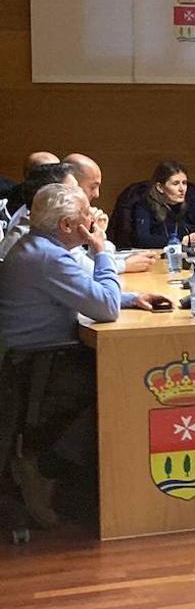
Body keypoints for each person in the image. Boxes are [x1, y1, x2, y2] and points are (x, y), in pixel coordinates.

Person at [0, 183, 168, 526]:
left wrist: (131, 298)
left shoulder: (40, 247)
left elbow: (87, 294)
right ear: (66, 226)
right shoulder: (48, 256)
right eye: (86, 215)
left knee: (125, 375)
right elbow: (103, 308)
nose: (93, 218)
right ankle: (43, 469)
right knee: (127, 385)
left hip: (37, 358)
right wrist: (102, 249)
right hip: (38, 366)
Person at [63, 153, 158, 273]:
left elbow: (87, 261)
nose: (97, 194)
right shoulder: (61, 220)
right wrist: (123, 265)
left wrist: (98, 240)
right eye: (92, 187)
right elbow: (84, 270)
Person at [129, 161, 195, 249]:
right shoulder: (144, 205)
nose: (182, 189)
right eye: (175, 184)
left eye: (184, 183)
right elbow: (142, 239)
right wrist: (181, 240)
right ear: (160, 187)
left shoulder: (191, 200)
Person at [0, 162, 78, 261]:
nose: (81, 195)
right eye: (74, 191)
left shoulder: (53, 228)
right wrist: (99, 246)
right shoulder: (27, 240)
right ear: (49, 198)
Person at [0, 151, 57, 230]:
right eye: (53, 174)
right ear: (30, 176)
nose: (59, 177)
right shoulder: (6, 201)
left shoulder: (59, 199)